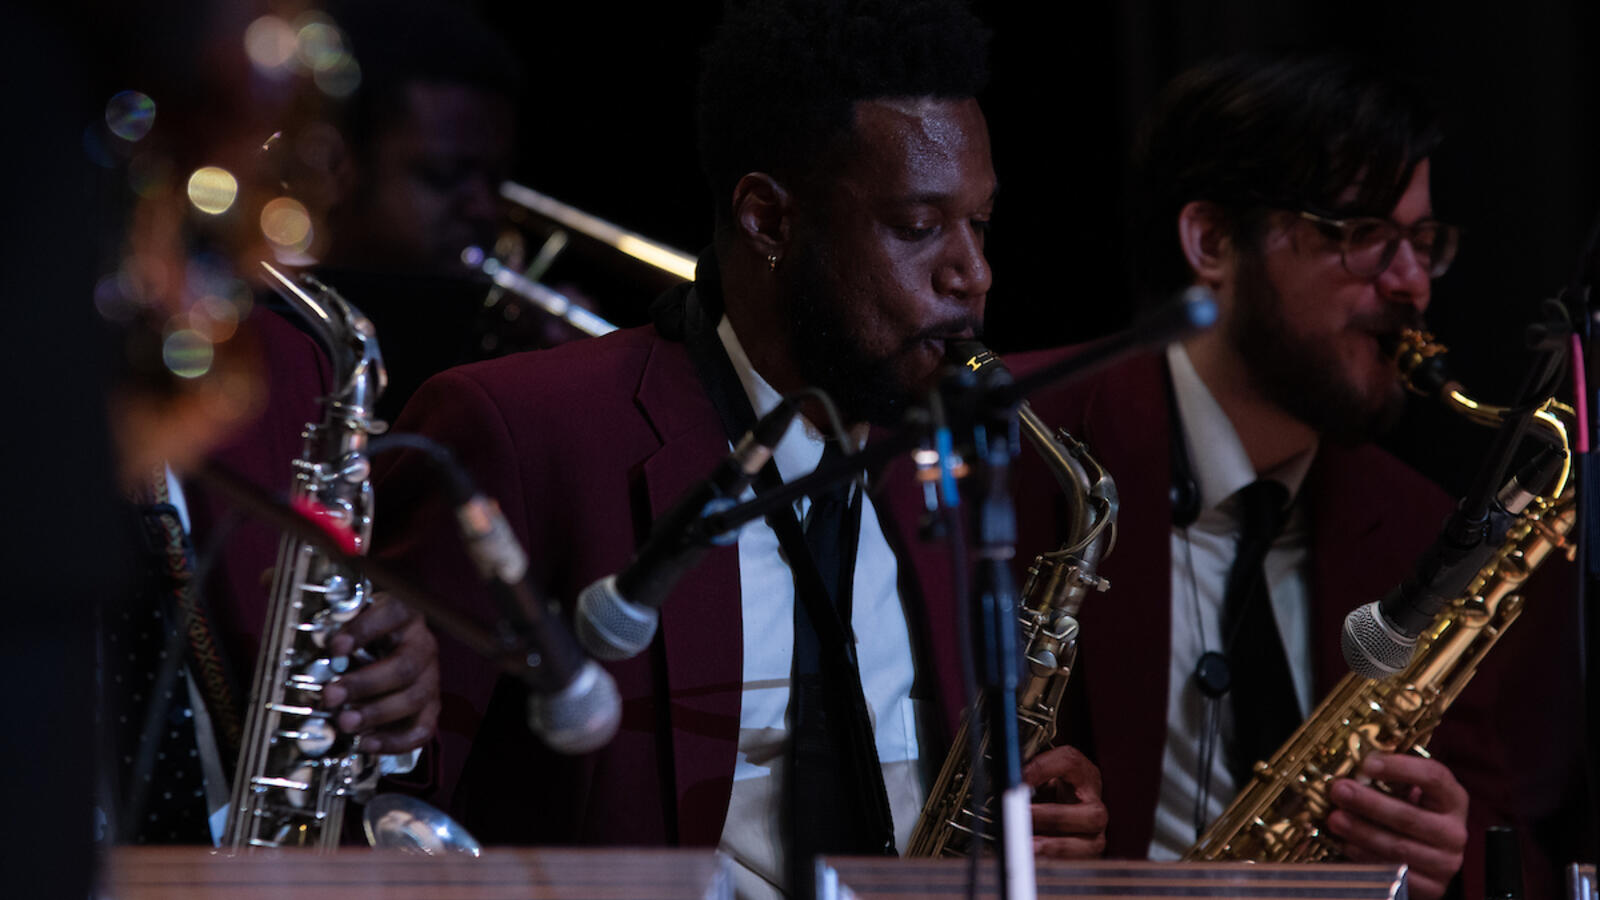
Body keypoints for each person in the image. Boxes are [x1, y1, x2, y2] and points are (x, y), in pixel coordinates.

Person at [375, 1, 1105, 896]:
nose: (973, 275)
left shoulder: (943, 466)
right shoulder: (522, 432)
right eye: (918, 227)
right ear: (767, 219)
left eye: (981, 225)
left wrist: (1024, 826)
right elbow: (387, 819)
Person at [1015, 52, 1573, 900]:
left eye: (1422, 241)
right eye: (1359, 235)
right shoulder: (1024, 443)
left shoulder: (1429, 527)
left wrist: (1448, 857)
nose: (1411, 283)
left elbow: (1513, 857)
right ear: (1211, 241)